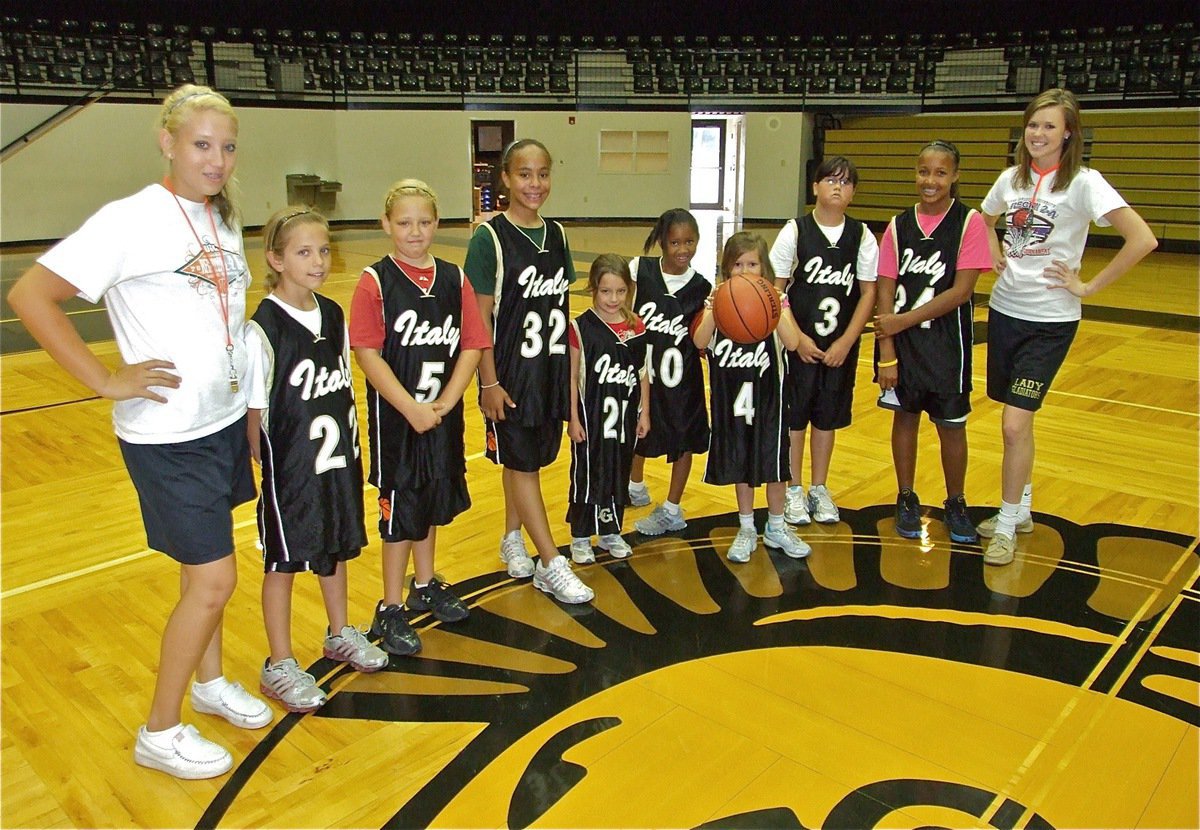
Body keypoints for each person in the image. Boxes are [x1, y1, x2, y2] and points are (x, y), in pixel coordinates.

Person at [7, 84, 270, 779]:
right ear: (167, 142)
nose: (216, 160)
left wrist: (245, 411)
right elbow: (31, 295)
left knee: (200, 571)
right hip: (167, 436)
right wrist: (103, 379)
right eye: (201, 145)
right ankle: (160, 729)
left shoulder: (220, 219)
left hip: (215, 425)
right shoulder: (130, 220)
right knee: (215, 582)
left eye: (227, 146)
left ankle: (209, 685)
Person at [978, 88, 1157, 565]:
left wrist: (1089, 286)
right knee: (1021, 420)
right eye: (1033, 125)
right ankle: (1023, 508)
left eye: (1049, 126)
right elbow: (981, 219)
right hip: (1004, 312)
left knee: (1013, 426)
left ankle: (1007, 522)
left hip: (1050, 322)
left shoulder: (1084, 183)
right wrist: (993, 250)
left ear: (1068, 133)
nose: (1038, 134)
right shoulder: (1009, 179)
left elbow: (1142, 238)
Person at [243, 207, 387, 714]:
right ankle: (279, 662)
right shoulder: (262, 329)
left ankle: (339, 632)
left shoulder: (333, 314)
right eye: (304, 252)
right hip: (292, 469)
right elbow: (254, 414)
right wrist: (271, 469)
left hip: (337, 459)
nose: (318, 261)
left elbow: (343, 386)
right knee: (283, 561)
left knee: (334, 550)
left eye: (324, 250)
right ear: (276, 259)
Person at [350, 179, 488, 653]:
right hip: (397, 421)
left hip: (441, 415)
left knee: (430, 502)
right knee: (401, 514)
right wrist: (409, 408)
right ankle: (390, 607)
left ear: (437, 224)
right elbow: (367, 353)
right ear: (386, 224)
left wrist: (448, 403)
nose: (415, 232)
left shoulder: (455, 277)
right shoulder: (375, 281)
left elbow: (472, 343)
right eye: (404, 222)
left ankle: (424, 582)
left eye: (425, 222)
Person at [464, 139, 594, 604]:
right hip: (511, 376)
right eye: (524, 174)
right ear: (505, 177)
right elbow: (477, 320)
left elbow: (561, 308)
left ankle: (510, 538)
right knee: (522, 465)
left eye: (542, 173)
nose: (534, 183)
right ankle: (550, 562)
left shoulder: (557, 234)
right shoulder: (489, 239)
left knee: (527, 462)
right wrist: (489, 381)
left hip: (550, 371)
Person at [874, 140, 993, 544]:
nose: (930, 180)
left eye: (941, 173)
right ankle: (906, 496)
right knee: (903, 419)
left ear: (955, 176)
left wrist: (899, 321)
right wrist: (886, 350)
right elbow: (885, 289)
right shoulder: (897, 225)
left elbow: (961, 292)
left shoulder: (969, 223)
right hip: (903, 348)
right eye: (924, 171)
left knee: (951, 427)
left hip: (948, 347)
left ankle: (955, 501)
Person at [769, 156, 879, 527]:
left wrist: (848, 341)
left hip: (839, 347)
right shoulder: (795, 231)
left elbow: (868, 294)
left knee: (827, 419)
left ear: (853, 193)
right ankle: (794, 488)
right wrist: (795, 337)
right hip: (799, 345)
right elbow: (775, 291)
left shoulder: (862, 235)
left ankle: (819, 486)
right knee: (795, 420)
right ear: (814, 186)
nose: (837, 187)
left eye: (846, 182)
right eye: (830, 179)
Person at [694, 232, 810, 563]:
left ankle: (776, 525)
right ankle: (746, 528)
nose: (745, 271)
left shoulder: (775, 300)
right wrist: (717, 309)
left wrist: (775, 307)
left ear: (765, 268)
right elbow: (700, 341)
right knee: (740, 466)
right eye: (738, 265)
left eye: (753, 264)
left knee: (774, 467)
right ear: (727, 269)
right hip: (731, 403)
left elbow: (792, 343)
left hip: (770, 402)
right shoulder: (717, 301)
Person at [625, 209, 711, 537]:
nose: (682, 249)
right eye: (674, 242)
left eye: (689, 242)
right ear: (662, 241)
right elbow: (625, 315)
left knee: (683, 442)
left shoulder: (702, 287)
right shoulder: (639, 270)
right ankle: (634, 487)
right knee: (637, 433)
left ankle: (673, 509)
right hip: (644, 377)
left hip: (682, 384)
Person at [567, 254, 651, 563]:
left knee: (618, 473)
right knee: (587, 476)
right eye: (605, 291)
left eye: (620, 291)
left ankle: (610, 531)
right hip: (591, 419)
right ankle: (579, 535)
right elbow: (572, 376)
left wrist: (646, 412)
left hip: (625, 418)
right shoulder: (580, 327)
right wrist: (572, 418)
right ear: (593, 289)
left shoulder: (636, 327)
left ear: (629, 290)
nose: (613, 299)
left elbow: (643, 373)